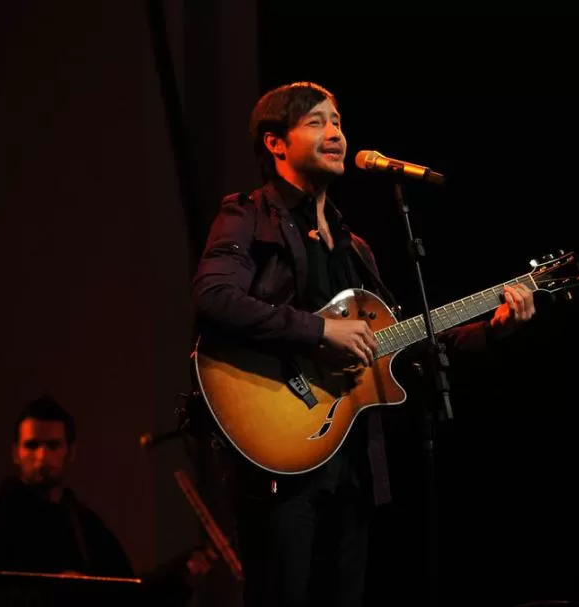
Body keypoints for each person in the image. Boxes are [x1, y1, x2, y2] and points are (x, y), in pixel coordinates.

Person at [190, 80, 536, 607]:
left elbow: (412, 344)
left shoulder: (357, 249)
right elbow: (215, 297)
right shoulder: (247, 214)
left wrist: (492, 328)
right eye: (316, 122)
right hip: (279, 458)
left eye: (338, 123)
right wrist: (319, 331)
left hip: (352, 465)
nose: (336, 133)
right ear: (275, 143)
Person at [0, 395, 217, 605]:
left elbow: (125, 594)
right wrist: (52, 592)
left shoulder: (84, 525)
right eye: (32, 445)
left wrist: (181, 577)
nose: (41, 457)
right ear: (16, 453)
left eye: (53, 445)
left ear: (70, 452)